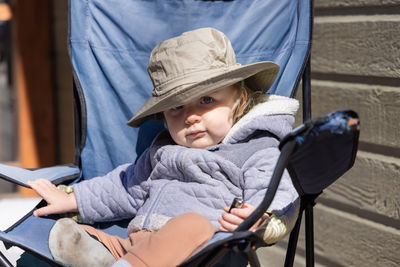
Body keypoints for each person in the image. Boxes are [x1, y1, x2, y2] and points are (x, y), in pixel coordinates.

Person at [27, 27, 299, 267]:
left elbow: (279, 194)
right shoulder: (161, 151)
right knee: (67, 235)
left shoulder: (257, 148)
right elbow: (123, 188)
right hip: (138, 248)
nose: (190, 116)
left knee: (192, 224)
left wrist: (261, 219)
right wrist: (74, 199)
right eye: (177, 107)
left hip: (206, 254)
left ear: (240, 98)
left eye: (206, 100)